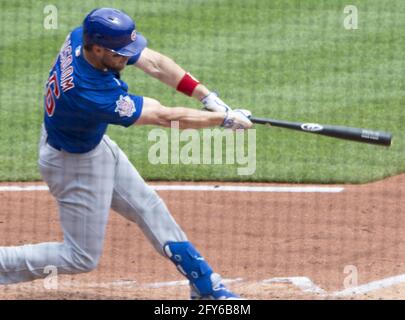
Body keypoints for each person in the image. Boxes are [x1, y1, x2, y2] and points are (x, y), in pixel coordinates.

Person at [0, 7, 252, 300]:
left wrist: (207, 97)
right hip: (72, 165)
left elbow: (155, 63)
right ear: (97, 48)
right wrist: (222, 120)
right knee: (80, 257)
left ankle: (206, 286)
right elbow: (164, 116)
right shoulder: (88, 92)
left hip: (88, 145)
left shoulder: (83, 36)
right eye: (120, 53)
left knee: (149, 206)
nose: (125, 57)